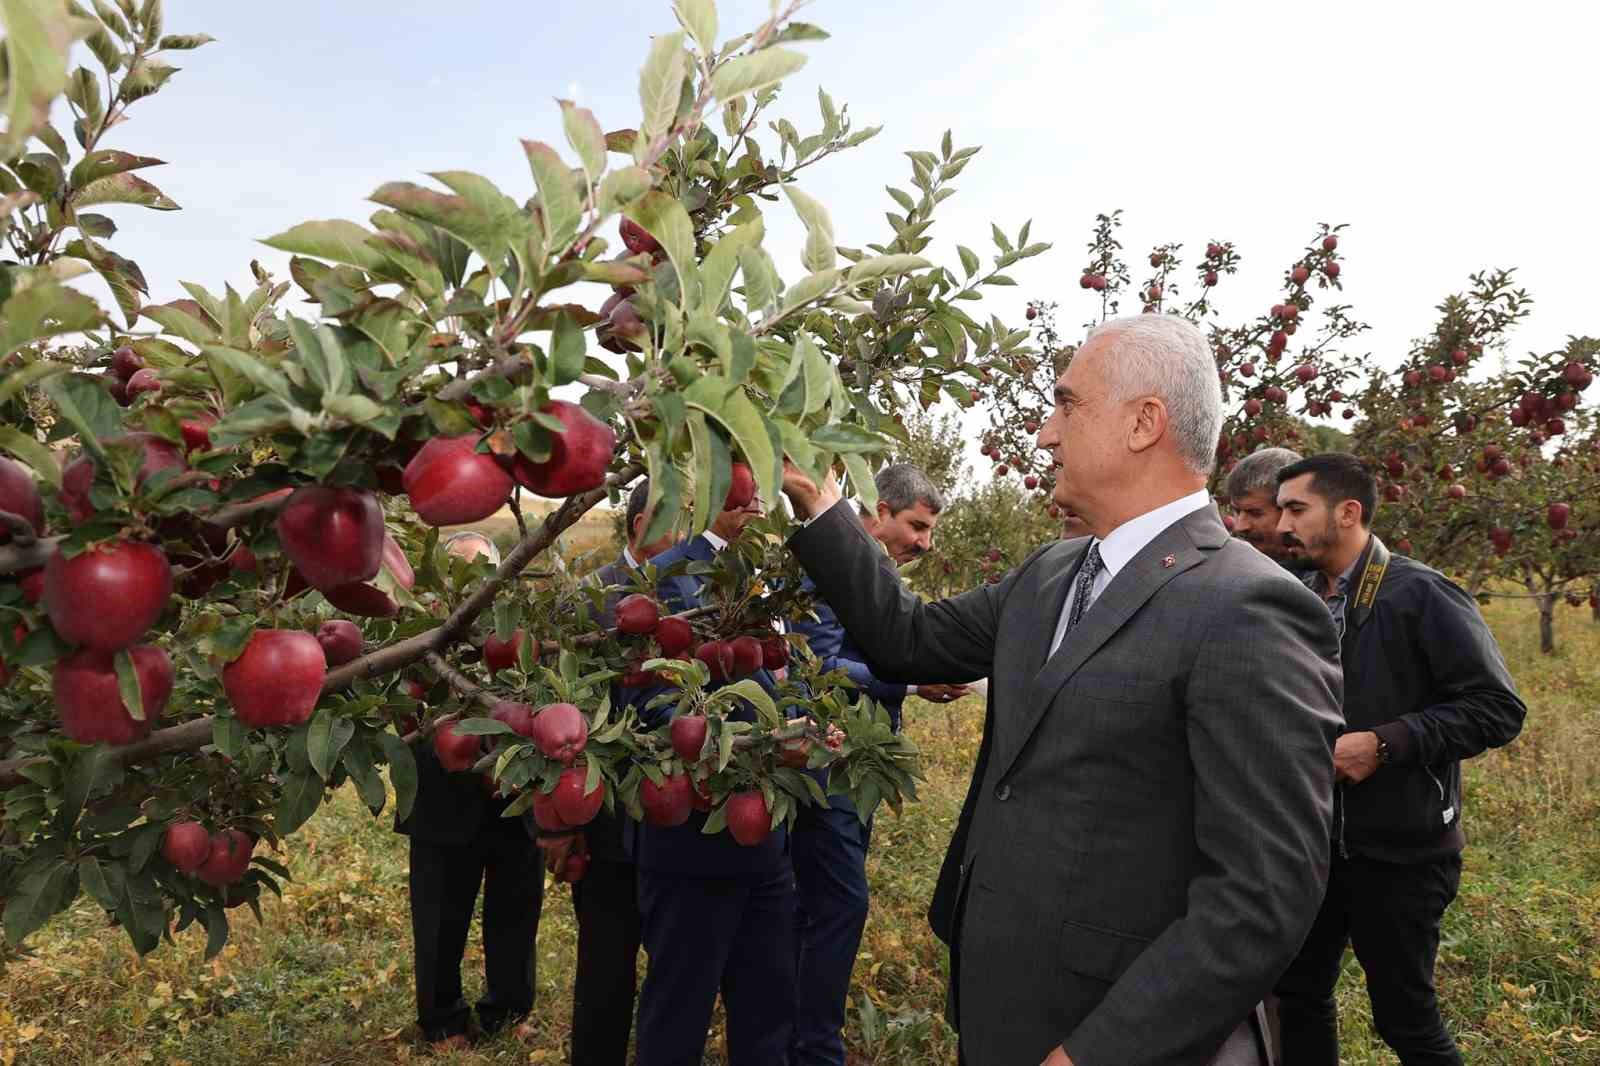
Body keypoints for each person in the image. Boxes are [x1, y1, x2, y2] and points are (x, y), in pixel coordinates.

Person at [781, 314, 1344, 1066]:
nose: (1046, 432)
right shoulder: (1053, 573)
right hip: (1002, 999)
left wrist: (1098, 1052)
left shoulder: (1249, 607)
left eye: (1067, 404)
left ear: (1145, 422)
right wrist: (818, 505)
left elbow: (1262, 894)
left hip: (1105, 1021)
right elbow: (906, 640)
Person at [1271, 453, 1526, 1066]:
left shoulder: (1421, 594)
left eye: (1296, 509)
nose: (1281, 525)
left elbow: (1496, 708)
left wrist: (1383, 743)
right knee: (1298, 996)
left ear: (1348, 512)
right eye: (1280, 509)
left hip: (1400, 853)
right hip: (1312, 844)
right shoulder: (1300, 597)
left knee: (1405, 1018)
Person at [787, 463, 969, 1066]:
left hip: (854, 768)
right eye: (916, 525)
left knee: (819, 902)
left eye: (930, 532)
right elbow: (819, 666)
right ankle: (814, 1046)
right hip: (826, 763)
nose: (925, 542)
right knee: (841, 903)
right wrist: (912, 682)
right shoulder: (837, 569)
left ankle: (792, 1027)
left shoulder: (876, 574)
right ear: (879, 511)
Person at [626, 490, 800, 1066]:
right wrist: (765, 730)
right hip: (691, 845)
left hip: (760, 841)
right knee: (680, 1009)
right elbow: (653, 705)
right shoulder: (672, 578)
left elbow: (775, 672)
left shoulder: (753, 580)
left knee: (766, 1003)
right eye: (745, 495)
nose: (758, 507)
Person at [539, 479, 672, 1066]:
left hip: (675, 818)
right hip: (607, 820)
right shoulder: (591, 599)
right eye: (677, 518)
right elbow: (548, 713)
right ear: (641, 523)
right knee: (606, 965)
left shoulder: (698, 600)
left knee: (673, 967)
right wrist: (553, 824)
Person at [396, 530, 542, 1050]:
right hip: (442, 794)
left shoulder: (518, 630)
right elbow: (402, 707)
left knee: (517, 907)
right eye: (460, 573)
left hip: (511, 790)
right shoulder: (422, 632)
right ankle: (442, 1021)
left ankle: (509, 1009)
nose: (471, 585)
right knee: (440, 913)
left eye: (481, 573)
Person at [1224, 446, 1304, 567]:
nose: (1240, 526)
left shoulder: (1324, 580)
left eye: (1255, 513)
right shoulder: (1228, 569)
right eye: (1236, 511)